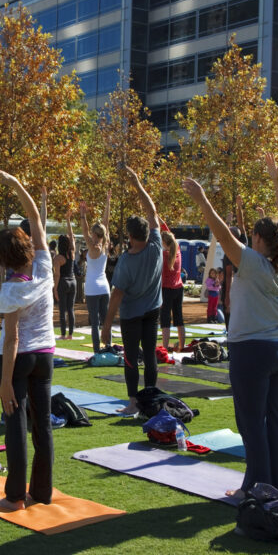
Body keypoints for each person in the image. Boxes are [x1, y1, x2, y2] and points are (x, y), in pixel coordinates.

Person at [182, 153, 278, 495]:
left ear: (259, 240)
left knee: (251, 423)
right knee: (272, 419)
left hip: (254, 351)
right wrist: (277, 179)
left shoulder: (252, 263)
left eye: (254, 237)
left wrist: (203, 200)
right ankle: (274, 482)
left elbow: (221, 232)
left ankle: (256, 488)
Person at [0, 163, 55, 512]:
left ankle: (14, 497)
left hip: (20, 358)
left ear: (1, 259)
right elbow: (36, 220)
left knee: (16, 427)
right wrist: (14, 182)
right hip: (45, 356)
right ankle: (41, 493)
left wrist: (5, 383)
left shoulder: (11, 289)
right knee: (42, 427)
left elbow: (11, 339)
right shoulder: (44, 267)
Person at [101, 165, 163, 415]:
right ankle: (150, 400)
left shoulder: (127, 261)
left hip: (132, 315)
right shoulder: (156, 246)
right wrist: (138, 184)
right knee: (150, 356)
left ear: (129, 235)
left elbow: (117, 295)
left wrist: (106, 326)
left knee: (130, 358)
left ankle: (134, 403)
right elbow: (153, 211)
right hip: (152, 311)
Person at [79, 194, 111, 353]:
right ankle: (109, 347)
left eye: (92, 233)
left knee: (95, 323)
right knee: (106, 321)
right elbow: (106, 223)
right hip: (104, 287)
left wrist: (83, 215)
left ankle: (97, 351)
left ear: (95, 234)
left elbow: (84, 230)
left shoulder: (93, 247)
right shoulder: (105, 244)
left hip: (92, 288)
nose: (90, 235)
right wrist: (107, 203)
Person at [160, 229, 185, 351]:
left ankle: (165, 347)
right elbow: (167, 230)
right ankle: (182, 346)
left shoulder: (163, 255)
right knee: (179, 318)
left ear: (164, 242)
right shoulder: (177, 251)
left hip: (166, 289)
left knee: (165, 319)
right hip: (178, 288)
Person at [53, 215, 77, 340]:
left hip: (63, 282)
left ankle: (63, 334)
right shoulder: (72, 253)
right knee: (71, 309)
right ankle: (71, 334)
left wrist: (55, 288)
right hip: (73, 281)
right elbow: (72, 236)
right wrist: (68, 220)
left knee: (62, 309)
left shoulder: (58, 258)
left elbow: (57, 275)